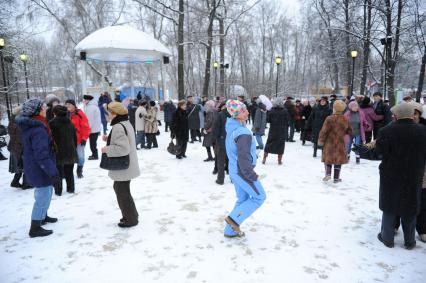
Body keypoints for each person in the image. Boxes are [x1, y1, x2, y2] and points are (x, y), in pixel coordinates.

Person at [375, 102, 426, 250]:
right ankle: (410, 242)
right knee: (410, 207)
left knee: (390, 206)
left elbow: (380, 152)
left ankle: (387, 238)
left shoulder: (386, 131)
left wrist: (364, 151)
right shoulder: (423, 131)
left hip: (391, 175)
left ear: (397, 115)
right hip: (414, 174)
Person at [16, 98, 59, 238]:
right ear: (37, 111)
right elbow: (41, 155)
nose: (46, 108)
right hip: (39, 167)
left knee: (46, 192)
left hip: (36, 165)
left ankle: (42, 216)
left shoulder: (37, 124)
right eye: (43, 107)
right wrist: (53, 173)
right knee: (43, 195)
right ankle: (35, 227)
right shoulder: (37, 129)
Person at [224, 99, 266, 238]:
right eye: (244, 110)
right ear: (238, 114)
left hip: (235, 171)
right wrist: (251, 175)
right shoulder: (243, 133)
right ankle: (233, 220)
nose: (248, 112)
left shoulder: (232, 128)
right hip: (242, 172)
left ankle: (229, 231)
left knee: (242, 199)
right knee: (259, 197)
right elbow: (243, 158)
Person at [101, 102, 140, 228]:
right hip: (127, 165)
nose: (107, 116)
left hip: (123, 166)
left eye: (109, 113)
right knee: (123, 191)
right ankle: (132, 215)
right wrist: (109, 138)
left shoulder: (118, 126)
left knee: (122, 192)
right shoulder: (125, 123)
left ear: (115, 114)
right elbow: (125, 140)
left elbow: (123, 149)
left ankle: (130, 219)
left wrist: (107, 149)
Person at [318, 100, 352, 183]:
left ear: (334, 108)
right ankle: (336, 178)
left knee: (328, 158)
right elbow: (350, 131)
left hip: (329, 142)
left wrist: (321, 140)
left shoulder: (329, 118)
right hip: (340, 142)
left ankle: (328, 174)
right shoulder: (345, 119)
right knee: (338, 160)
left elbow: (324, 131)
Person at [49, 105, 78, 196]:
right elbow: (75, 138)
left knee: (58, 173)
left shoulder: (51, 123)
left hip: (57, 151)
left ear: (55, 113)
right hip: (70, 150)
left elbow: (50, 138)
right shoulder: (70, 122)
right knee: (69, 172)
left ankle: (58, 191)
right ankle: (71, 189)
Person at [65, 99, 91, 178]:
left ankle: (79, 170)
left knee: (80, 157)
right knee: (69, 157)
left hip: (79, 140)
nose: (68, 106)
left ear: (74, 105)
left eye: (70, 104)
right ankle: (68, 173)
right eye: (67, 104)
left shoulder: (79, 113)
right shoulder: (64, 114)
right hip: (68, 141)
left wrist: (84, 138)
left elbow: (86, 127)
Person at [8, 106, 32, 189]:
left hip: (14, 148)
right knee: (25, 165)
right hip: (19, 149)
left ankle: (15, 182)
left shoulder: (12, 122)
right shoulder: (18, 124)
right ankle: (26, 184)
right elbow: (21, 138)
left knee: (20, 166)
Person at [263, 97, 289, 165]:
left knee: (269, 144)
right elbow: (287, 121)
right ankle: (279, 161)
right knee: (280, 146)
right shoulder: (285, 111)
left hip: (273, 131)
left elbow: (268, 120)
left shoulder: (272, 110)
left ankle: (264, 159)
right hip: (281, 131)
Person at [212, 102, 229, 185]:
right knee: (231, 160)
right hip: (232, 141)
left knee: (220, 160)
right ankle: (233, 178)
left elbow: (215, 129)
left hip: (222, 140)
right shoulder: (234, 115)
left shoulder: (220, 115)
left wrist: (214, 139)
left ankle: (220, 179)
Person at [83, 95, 102, 160]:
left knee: (92, 144)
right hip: (94, 128)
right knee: (93, 143)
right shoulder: (91, 106)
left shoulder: (90, 108)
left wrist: (87, 128)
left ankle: (95, 155)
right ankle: (94, 154)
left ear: (88, 100)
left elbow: (89, 119)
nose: (84, 101)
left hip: (93, 129)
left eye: (85, 100)